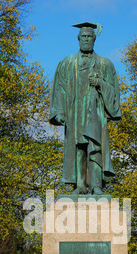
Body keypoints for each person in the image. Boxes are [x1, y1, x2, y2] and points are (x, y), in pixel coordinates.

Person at [49, 22, 121, 195]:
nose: (86, 39)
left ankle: (96, 185)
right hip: (74, 113)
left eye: (90, 36)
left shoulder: (105, 64)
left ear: (94, 39)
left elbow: (114, 92)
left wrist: (100, 83)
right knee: (78, 147)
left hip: (95, 113)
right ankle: (79, 185)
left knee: (95, 147)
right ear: (78, 39)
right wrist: (59, 112)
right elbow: (60, 88)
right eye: (84, 37)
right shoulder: (67, 63)